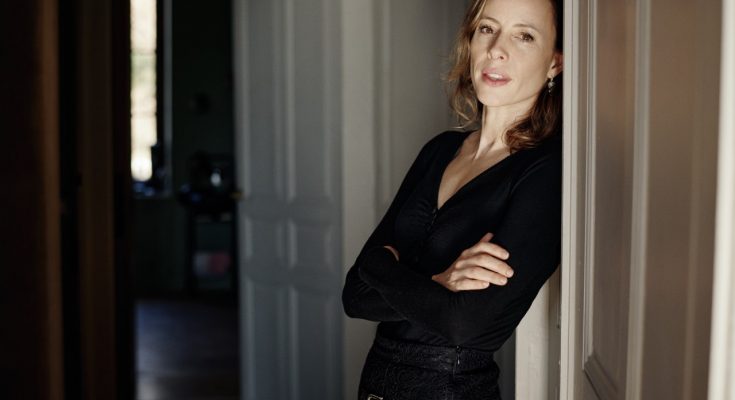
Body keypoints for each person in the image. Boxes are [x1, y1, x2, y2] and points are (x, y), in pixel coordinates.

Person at [341, 0, 564, 398]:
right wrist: (438, 283)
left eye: (525, 36)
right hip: (376, 382)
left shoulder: (546, 171)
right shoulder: (440, 150)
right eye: (487, 29)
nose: (496, 49)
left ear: (554, 62)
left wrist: (381, 267)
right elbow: (354, 297)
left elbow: (464, 323)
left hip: (450, 388)